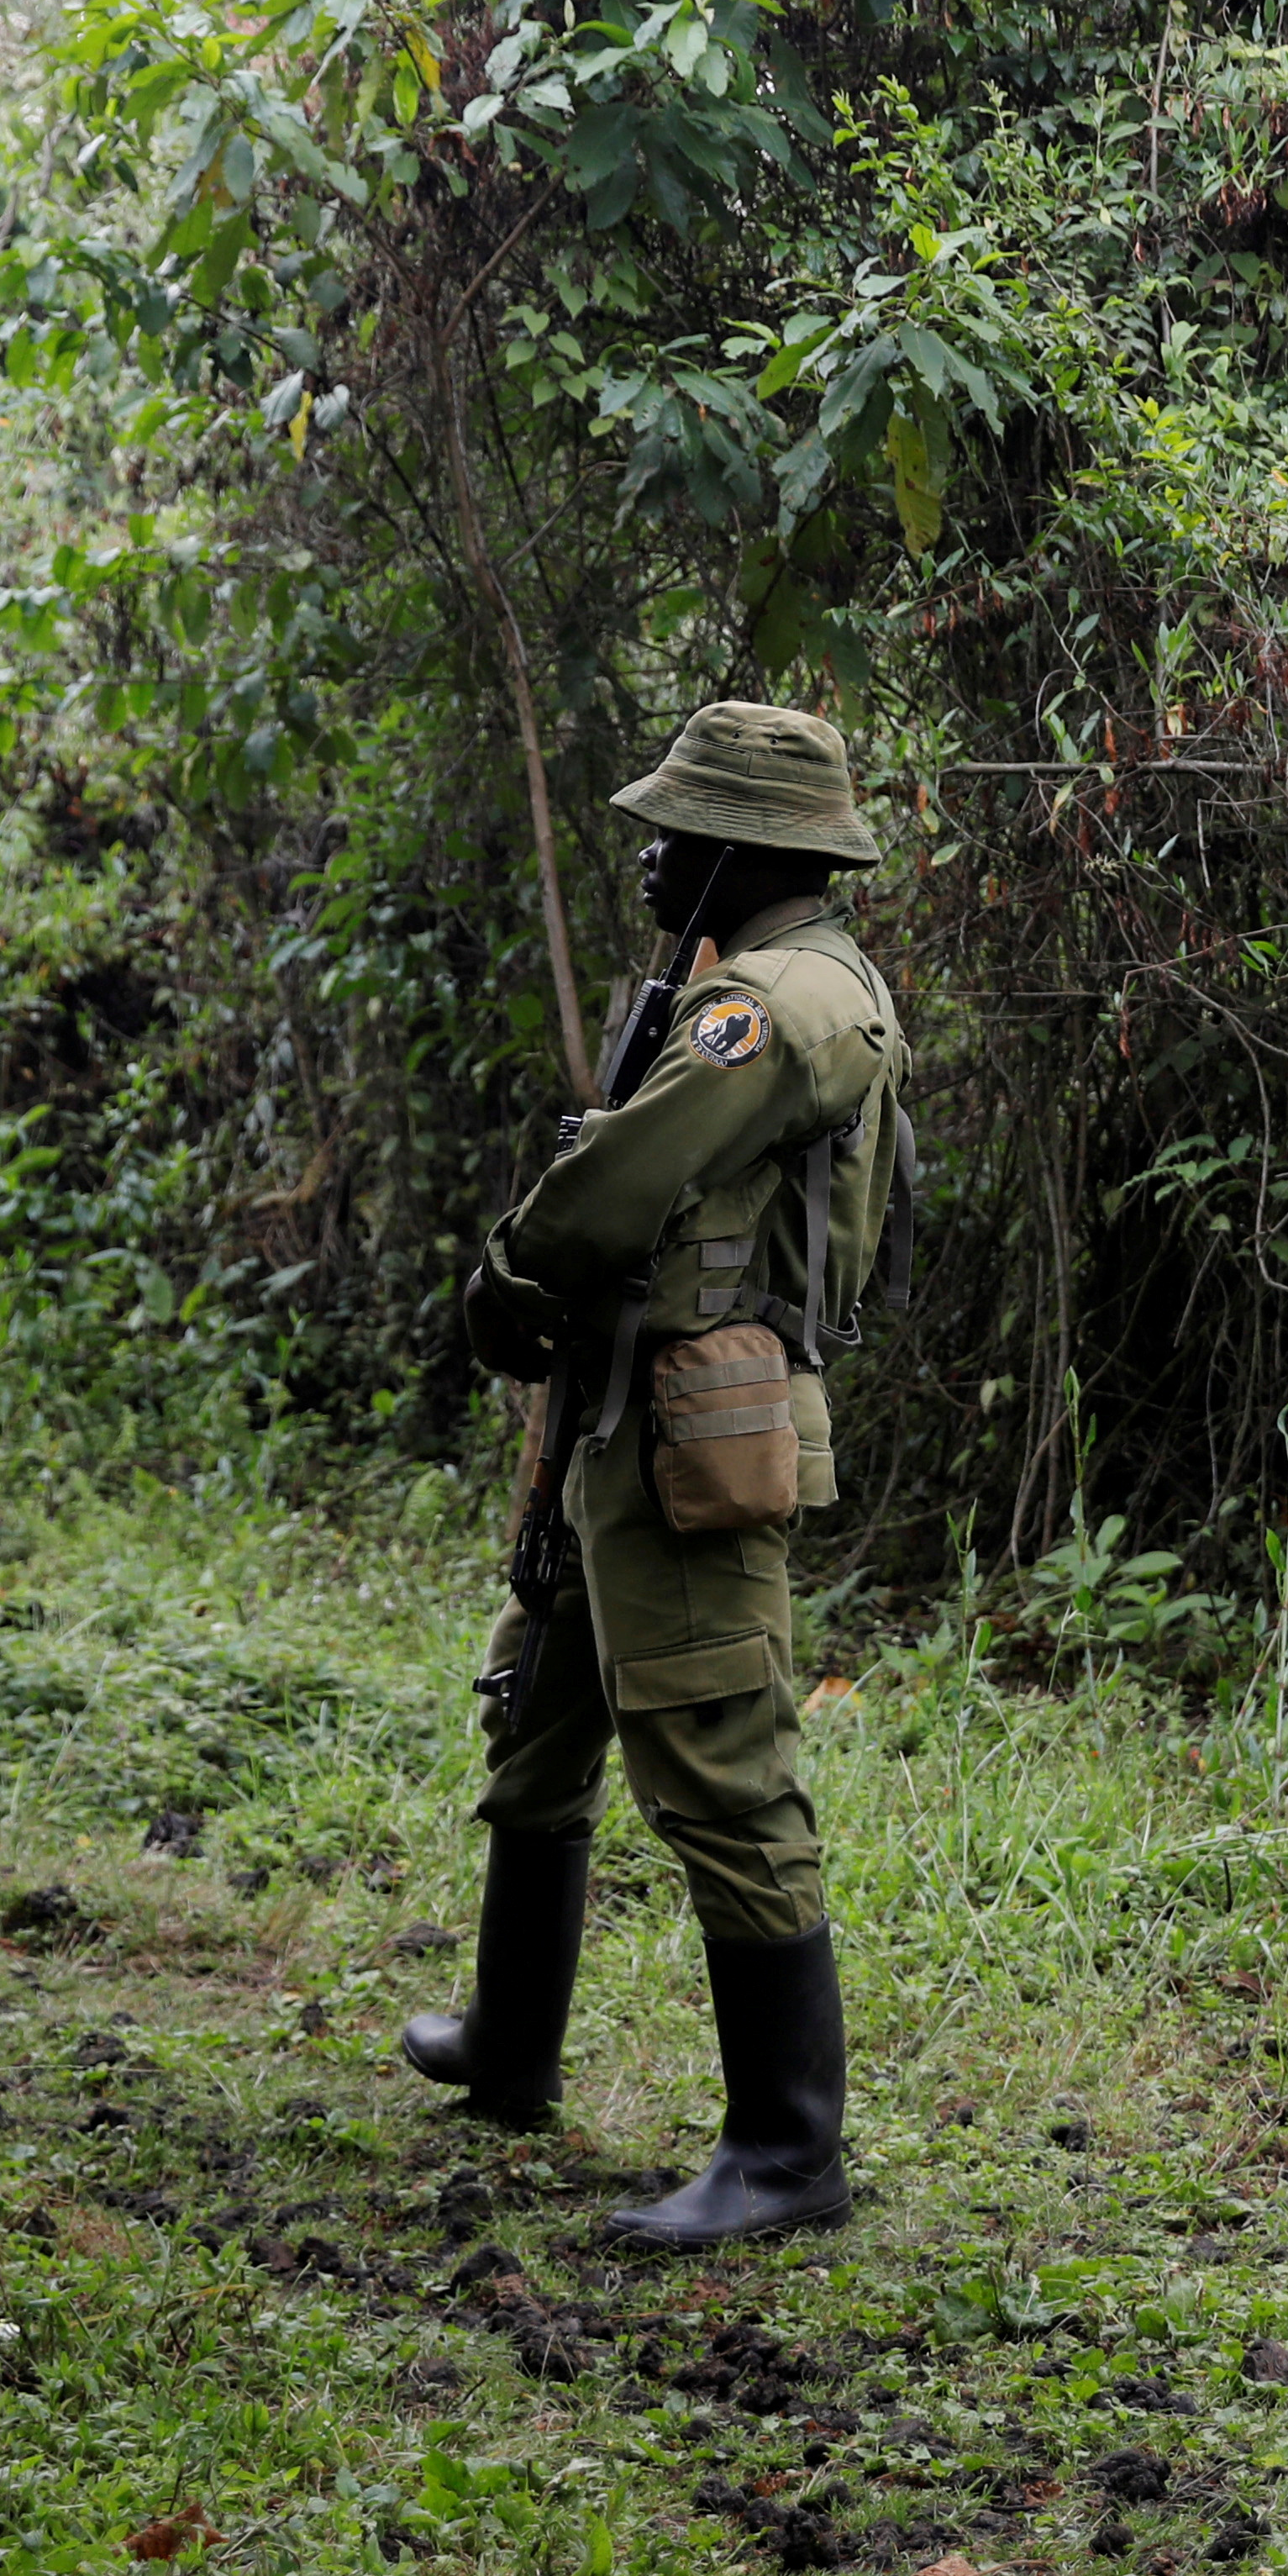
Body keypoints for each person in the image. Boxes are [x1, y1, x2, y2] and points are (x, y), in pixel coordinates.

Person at [402, 701, 909, 2248]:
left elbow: (615, 1185)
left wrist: (512, 1267)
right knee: (541, 1692)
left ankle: (785, 2153)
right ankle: (510, 2047)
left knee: (714, 1761)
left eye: (678, 834)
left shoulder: (773, 1007)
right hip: (626, 1406)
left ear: (749, 849)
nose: (650, 856)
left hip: (695, 1424)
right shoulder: (768, 984)